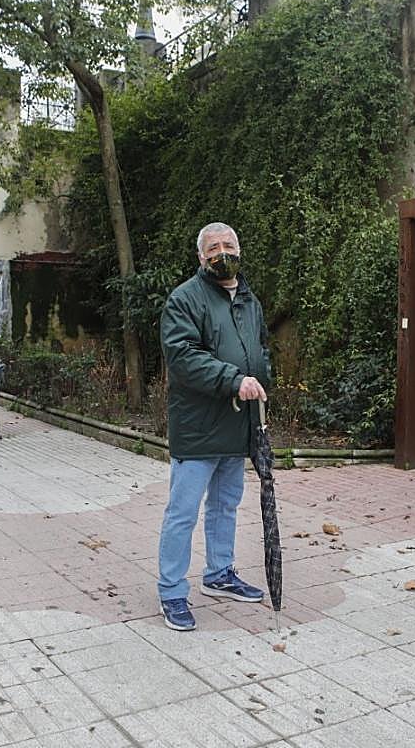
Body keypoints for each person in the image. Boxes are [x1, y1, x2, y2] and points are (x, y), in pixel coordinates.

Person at [157, 222, 271, 631]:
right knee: (182, 513)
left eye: (229, 245)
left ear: (240, 250)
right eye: (213, 247)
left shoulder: (249, 300)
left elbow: (259, 349)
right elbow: (183, 357)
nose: (222, 252)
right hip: (199, 427)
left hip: (237, 424)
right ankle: (171, 591)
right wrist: (234, 380)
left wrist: (261, 378)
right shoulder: (185, 299)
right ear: (200, 257)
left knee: (225, 505)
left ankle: (219, 574)